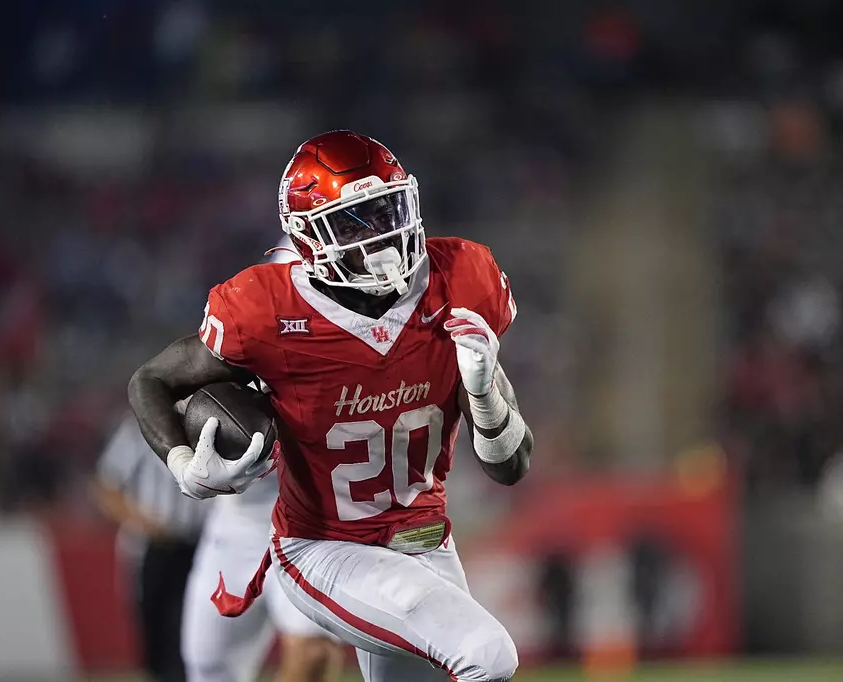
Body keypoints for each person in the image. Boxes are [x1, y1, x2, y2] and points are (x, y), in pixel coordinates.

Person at [129, 130, 533, 682]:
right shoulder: (266, 310)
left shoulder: (461, 280)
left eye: (387, 209)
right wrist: (182, 464)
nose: (383, 238)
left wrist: (484, 395)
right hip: (325, 548)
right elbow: (151, 379)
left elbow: (510, 468)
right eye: (353, 222)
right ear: (307, 238)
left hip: (425, 540)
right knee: (486, 654)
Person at [182, 239, 344, 682]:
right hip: (239, 523)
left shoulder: (355, 348)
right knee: (208, 665)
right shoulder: (243, 335)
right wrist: (185, 453)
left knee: (311, 655)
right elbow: (170, 392)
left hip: (315, 526)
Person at [92, 415, 209, 682]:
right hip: (152, 548)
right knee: (153, 629)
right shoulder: (137, 431)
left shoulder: (209, 424)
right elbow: (107, 486)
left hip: (200, 546)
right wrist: (144, 523)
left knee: (191, 630)